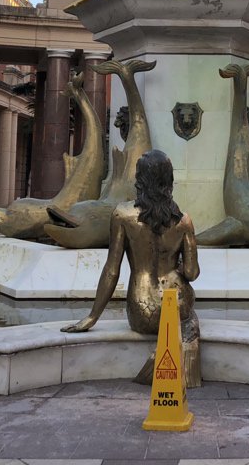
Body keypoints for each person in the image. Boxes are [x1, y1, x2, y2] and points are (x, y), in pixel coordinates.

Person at [63, 149, 201, 387]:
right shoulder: (183, 220)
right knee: (190, 319)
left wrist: (92, 317)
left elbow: (111, 270)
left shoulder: (123, 215)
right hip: (177, 306)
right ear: (168, 180)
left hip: (141, 311)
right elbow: (191, 273)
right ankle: (183, 364)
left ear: (140, 179)